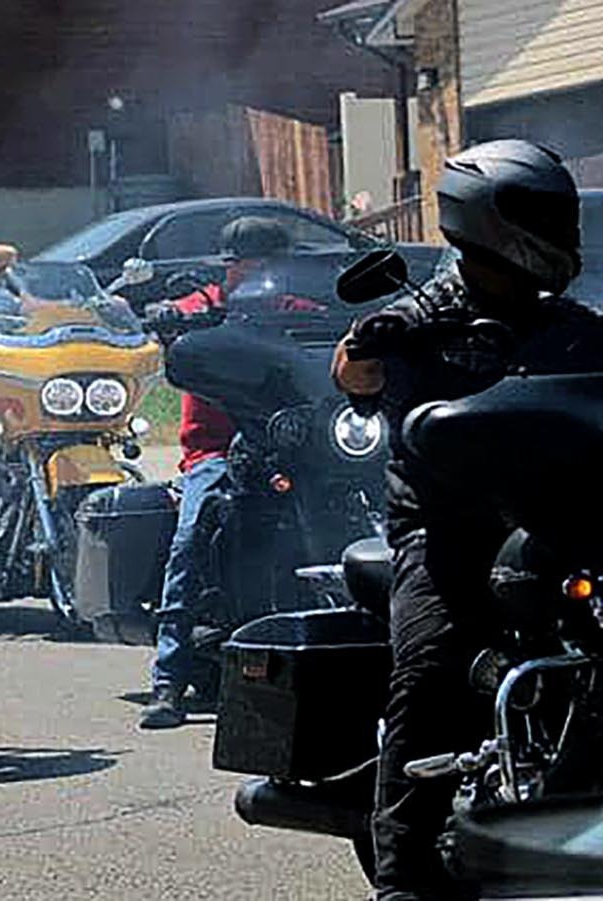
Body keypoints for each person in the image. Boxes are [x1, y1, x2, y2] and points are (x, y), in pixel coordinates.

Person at [332, 140, 603, 899]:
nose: (559, 229)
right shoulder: (420, 315)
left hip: (558, 523)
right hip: (446, 528)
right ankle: (404, 877)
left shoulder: (573, 325)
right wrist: (368, 347)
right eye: (543, 216)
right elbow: (352, 371)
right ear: (488, 220)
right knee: (430, 669)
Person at [137, 216, 322, 729]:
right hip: (215, 452)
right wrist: (169, 319)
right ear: (235, 268)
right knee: (191, 535)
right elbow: (171, 329)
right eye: (258, 266)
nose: (269, 276)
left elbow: (334, 329)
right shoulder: (205, 310)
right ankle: (168, 679)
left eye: (277, 266)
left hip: (299, 450)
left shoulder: (297, 311)